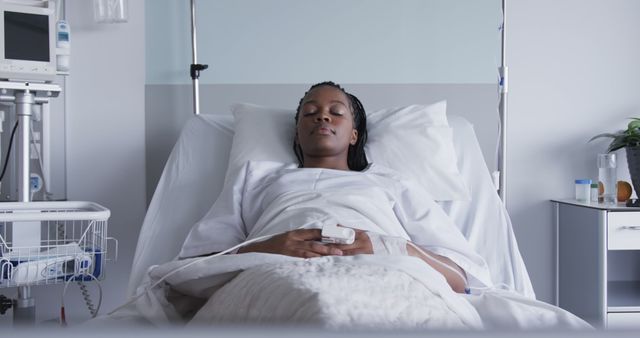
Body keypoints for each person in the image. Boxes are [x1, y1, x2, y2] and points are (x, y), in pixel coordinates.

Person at [179, 82, 492, 294]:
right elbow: (191, 273)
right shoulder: (256, 178)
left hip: (388, 274)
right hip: (276, 274)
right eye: (310, 113)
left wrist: (388, 247)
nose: (323, 116)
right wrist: (267, 247)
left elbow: (460, 279)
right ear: (297, 134)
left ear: (354, 135)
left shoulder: (392, 183)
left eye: (336, 112)